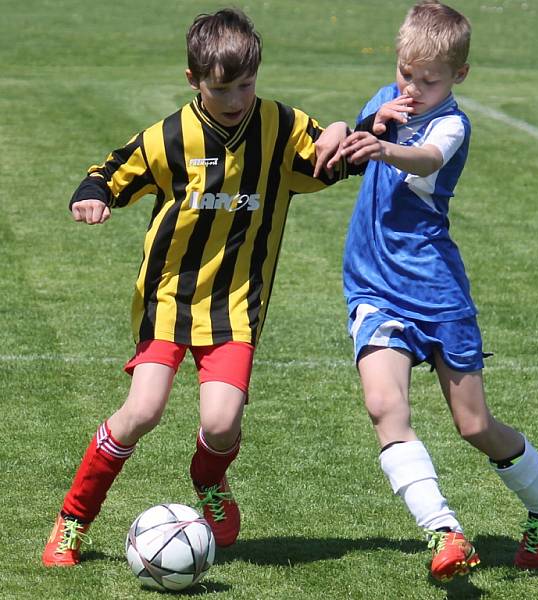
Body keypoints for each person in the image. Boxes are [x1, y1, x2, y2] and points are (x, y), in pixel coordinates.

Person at [42, 8, 352, 567]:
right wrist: (91, 195)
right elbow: (112, 169)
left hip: (237, 304)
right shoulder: (169, 137)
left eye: (246, 84)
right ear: (194, 81)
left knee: (221, 421)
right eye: (221, 88)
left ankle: (208, 478)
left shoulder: (280, 126)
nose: (236, 98)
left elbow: (331, 158)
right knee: (142, 412)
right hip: (168, 299)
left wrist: (347, 132)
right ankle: (72, 521)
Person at [315, 0, 538, 582]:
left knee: (475, 425)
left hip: (436, 289)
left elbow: (424, 155)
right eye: (407, 74)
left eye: (429, 80)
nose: (414, 87)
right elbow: (349, 153)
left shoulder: (452, 124)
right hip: (374, 286)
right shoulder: (387, 97)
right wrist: (349, 131)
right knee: (385, 407)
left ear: (459, 76)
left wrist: (384, 144)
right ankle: (445, 531)